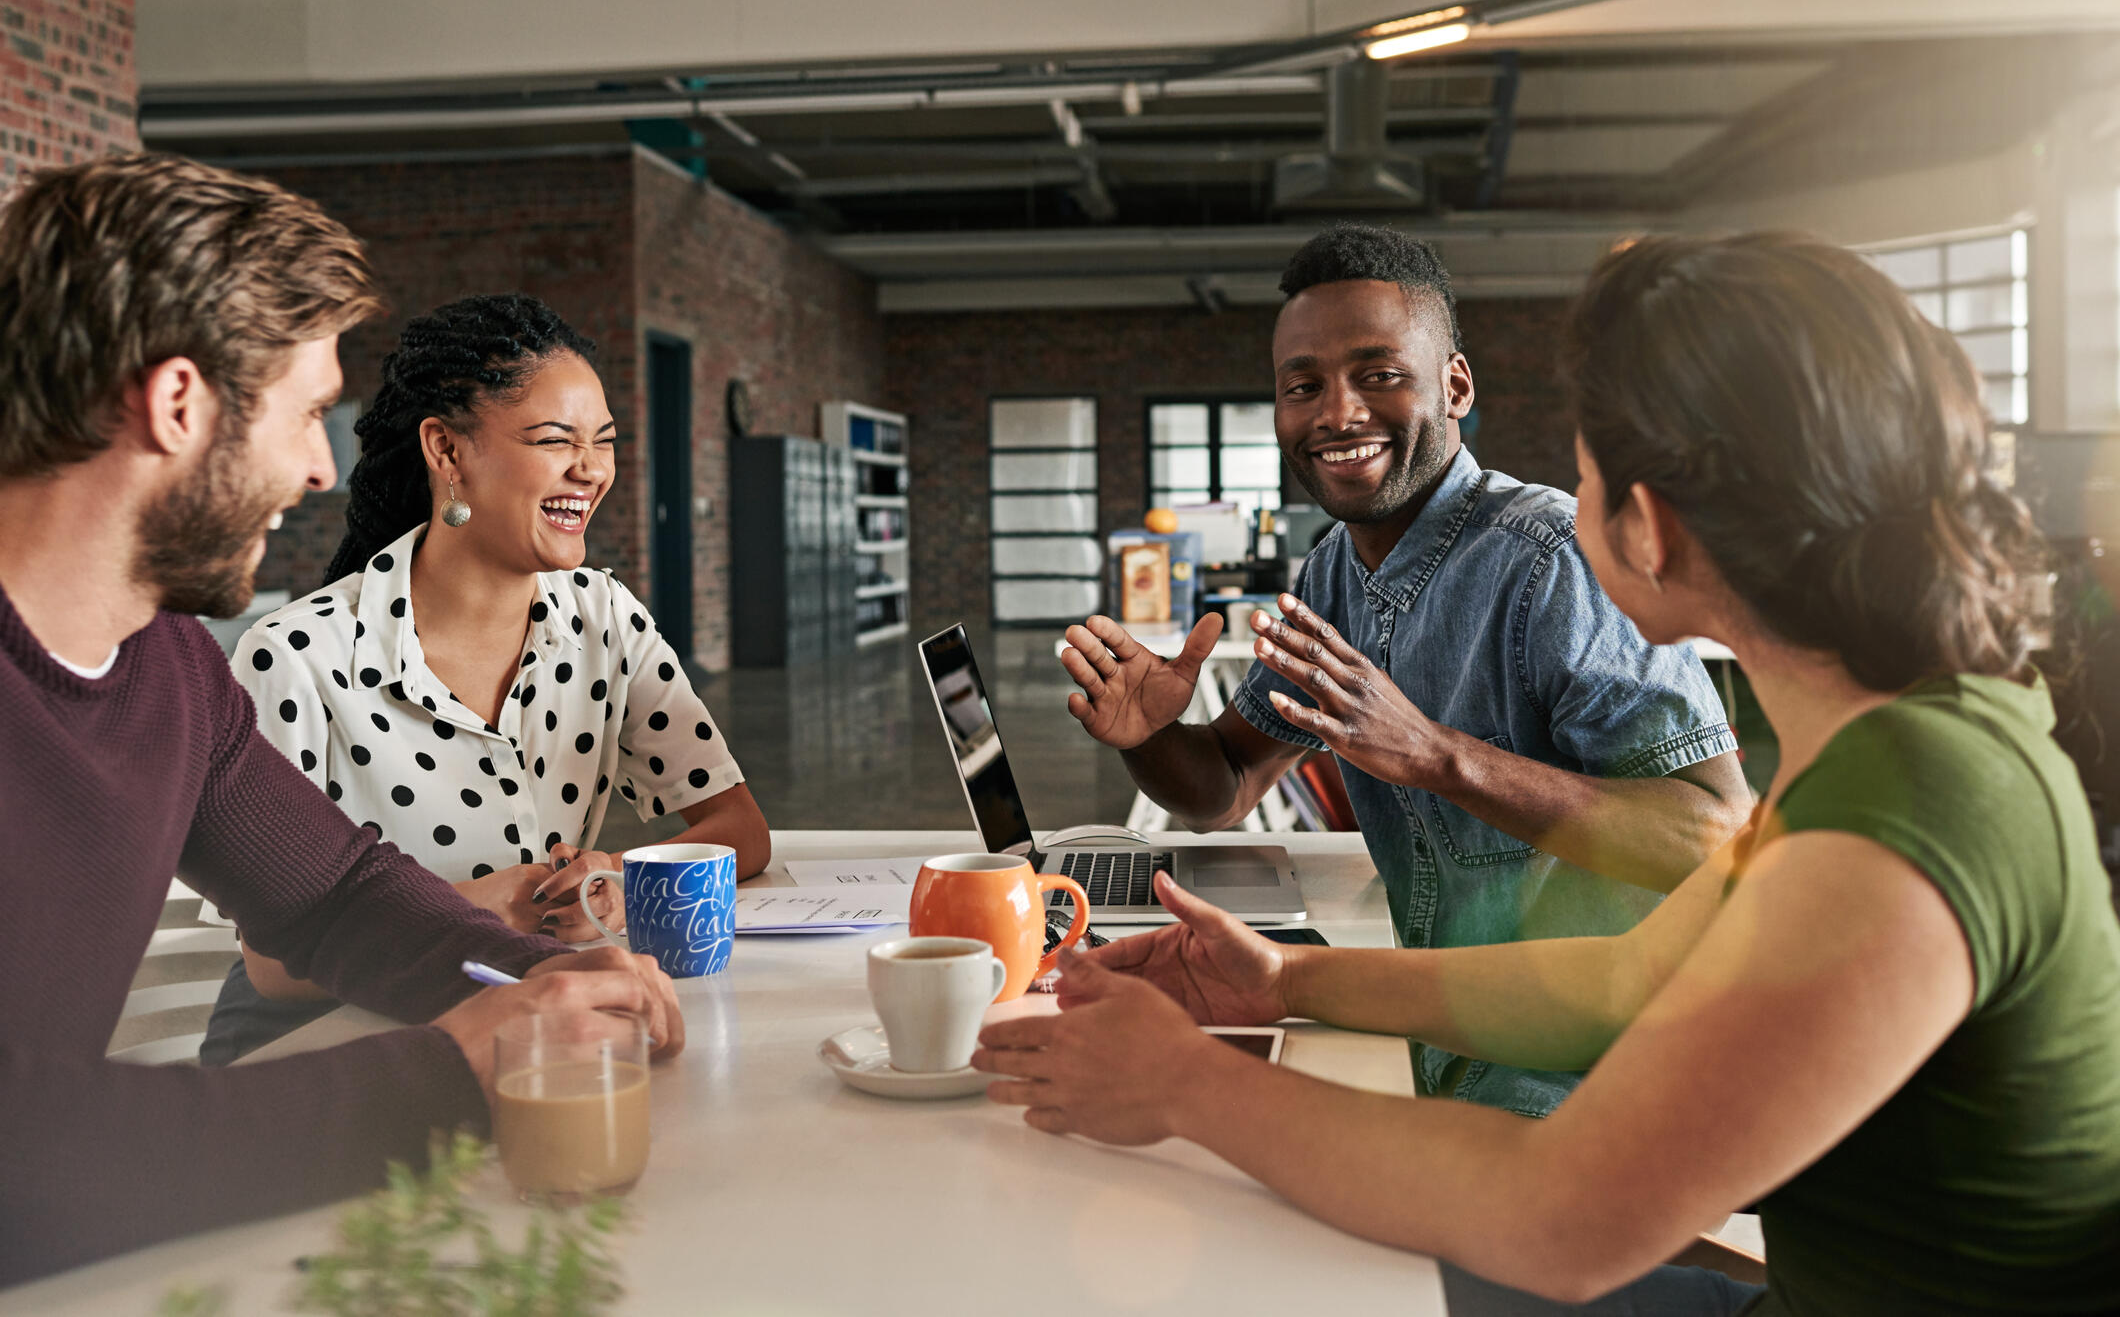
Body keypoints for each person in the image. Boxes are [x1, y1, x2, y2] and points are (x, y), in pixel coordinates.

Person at [977, 233, 2120, 1315]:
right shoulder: (1915, 743)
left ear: (1651, 526)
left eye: (1583, 472)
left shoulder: (1902, 811)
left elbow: (1562, 1218)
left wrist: (1184, 1085)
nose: (1567, 504)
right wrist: (1280, 982)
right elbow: (1621, 985)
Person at [0, 154, 684, 1288]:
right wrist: (450, 1078)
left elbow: (333, 895)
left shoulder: (167, 665)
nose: (321, 471)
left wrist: (539, 985)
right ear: (178, 405)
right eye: (309, 412)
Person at [1058, 224, 1750, 1115]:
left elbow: (1715, 841)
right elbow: (1224, 786)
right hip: (1438, 1035)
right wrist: (1149, 734)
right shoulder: (1334, 570)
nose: (1336, 413)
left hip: (1587, 1077)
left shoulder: (1550, 558)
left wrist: (1436, 754)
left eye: (1378, 375)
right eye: (1302, 387)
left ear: (1455, 384)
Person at [200, 294, 771, 1063]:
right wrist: (484, 908)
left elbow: (740, 831)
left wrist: (618, 878)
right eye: (553, 440)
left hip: (525, 1018)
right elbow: (272, 964)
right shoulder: (296, 658)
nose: (593, 468)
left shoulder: (606, 617)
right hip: (322, 1053)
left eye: (602, 441)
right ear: (447, 451)